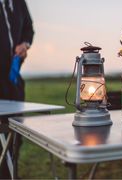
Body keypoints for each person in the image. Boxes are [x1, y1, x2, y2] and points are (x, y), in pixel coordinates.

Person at [0, 0, 34, 178]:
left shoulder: (19, 2)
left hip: (14, 80)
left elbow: (29, 28)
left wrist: (25, 44)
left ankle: (11, 173)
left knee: (16, 131)